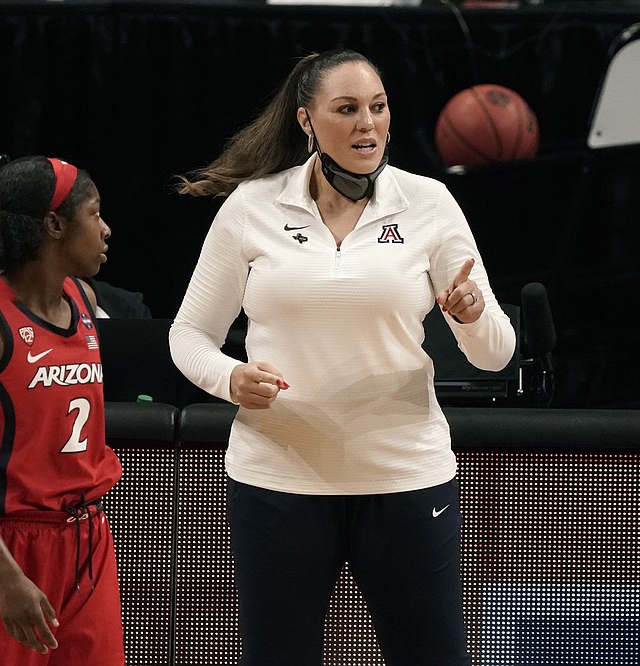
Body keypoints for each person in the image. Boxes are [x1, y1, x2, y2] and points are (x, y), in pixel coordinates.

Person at [169, 49, 516, 666]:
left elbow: (496, 355)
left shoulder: (429, 202)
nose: (368, 125)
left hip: (404, 478)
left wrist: (469, 314)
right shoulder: (253, 205)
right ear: (306, 121)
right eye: (347, 109)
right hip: (278, 478)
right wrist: (230, 378)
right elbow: (189, 335)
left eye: (378, 108)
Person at [0, 155, 125, 665]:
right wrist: (6, 573)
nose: (106, 229)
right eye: (95, 214)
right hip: (2, 545)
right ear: (54, 224)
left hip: (86, 543)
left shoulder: (83, 298)